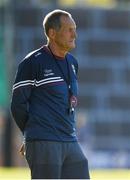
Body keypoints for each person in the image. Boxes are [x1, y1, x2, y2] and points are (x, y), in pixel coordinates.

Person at [11, 9, 90, 179]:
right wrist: (32, 134)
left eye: (74, 29)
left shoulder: (72, 63)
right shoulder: (32, 62)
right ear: (52, 33)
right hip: (44, 141)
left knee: (82, 169)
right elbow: (17, 105)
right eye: (69, 29)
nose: (74, 34)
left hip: (69, 139)